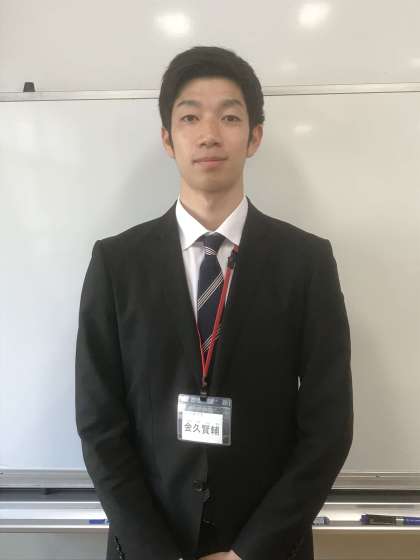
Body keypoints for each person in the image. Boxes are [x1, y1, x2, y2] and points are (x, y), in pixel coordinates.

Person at [75, 45, 353, 560]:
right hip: (148, 544)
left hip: (269, 545)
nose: (209, 134)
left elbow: (328, 427)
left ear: (254, 136)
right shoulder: (116, 264)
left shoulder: (306, 262)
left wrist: (253, 551)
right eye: (189, 117)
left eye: (228, 116)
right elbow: (99, 426)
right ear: (167, 138)